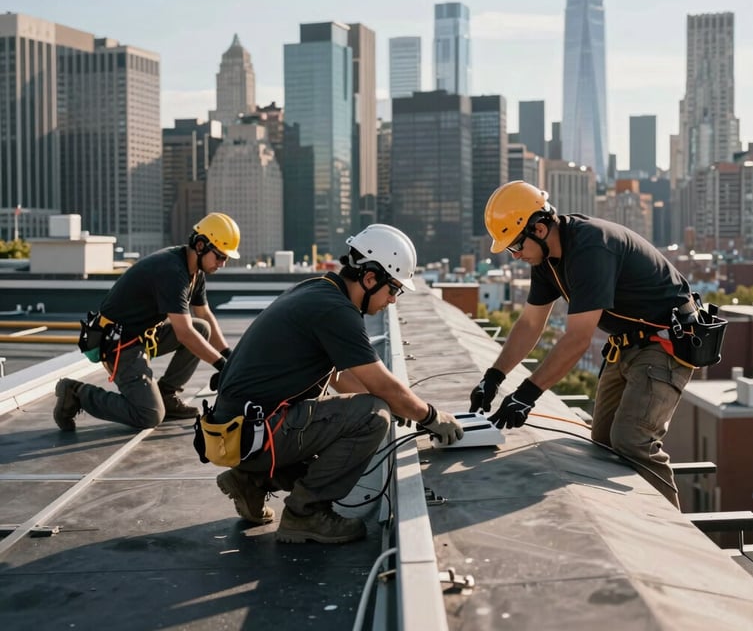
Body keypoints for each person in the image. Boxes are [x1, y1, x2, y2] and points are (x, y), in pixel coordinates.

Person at [211, 224, 463, 544]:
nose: (393, 300)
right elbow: (381, 384)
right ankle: (306, 514)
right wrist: (430, 416)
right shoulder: (336, 309)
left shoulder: (320, 289)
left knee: (371, 409)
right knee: (373, 416)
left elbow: (335, 375)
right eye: (394, 289)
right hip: (254, 433)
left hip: (238, 431)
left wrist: (399, 405)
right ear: (370, 279)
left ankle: (250, 481)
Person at [469, 180, 696, 508]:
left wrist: (526, 396)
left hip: (664, 345)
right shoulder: (546, 261)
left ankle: (677, 538)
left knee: (632, 441)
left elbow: (577, 339)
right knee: (603, 441)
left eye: (517, 245)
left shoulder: (591, 248)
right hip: (627, 345)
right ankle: (631, 515)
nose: (515, 255)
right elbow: (531, 324)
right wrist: (493, 377)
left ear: (540, 228)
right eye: (510, 249)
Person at [53, 212, 240, 431]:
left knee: (203, 328)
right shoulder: (172, 271)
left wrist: (228, 357)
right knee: (149, 415)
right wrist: (221, 365)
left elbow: (205, 315)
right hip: (119, 343)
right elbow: (184, 334)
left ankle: (167, 395)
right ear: (200, 246)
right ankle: (76, 393)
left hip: (143, 336)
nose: (222, 263)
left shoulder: (194, 273)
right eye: (219, 256)